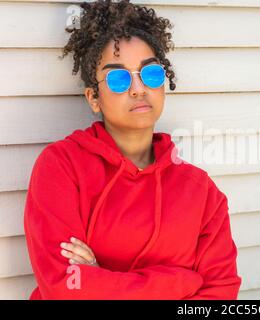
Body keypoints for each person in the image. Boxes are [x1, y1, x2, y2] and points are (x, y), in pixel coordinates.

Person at [23, 0, 242, 300]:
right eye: (118, 78)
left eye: (150, 74)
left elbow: (220, 293)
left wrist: (101, 279)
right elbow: (66, 287)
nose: (138, 88)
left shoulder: (202, 193)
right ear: (93, 97)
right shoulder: (61, 167)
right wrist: (181, 283)